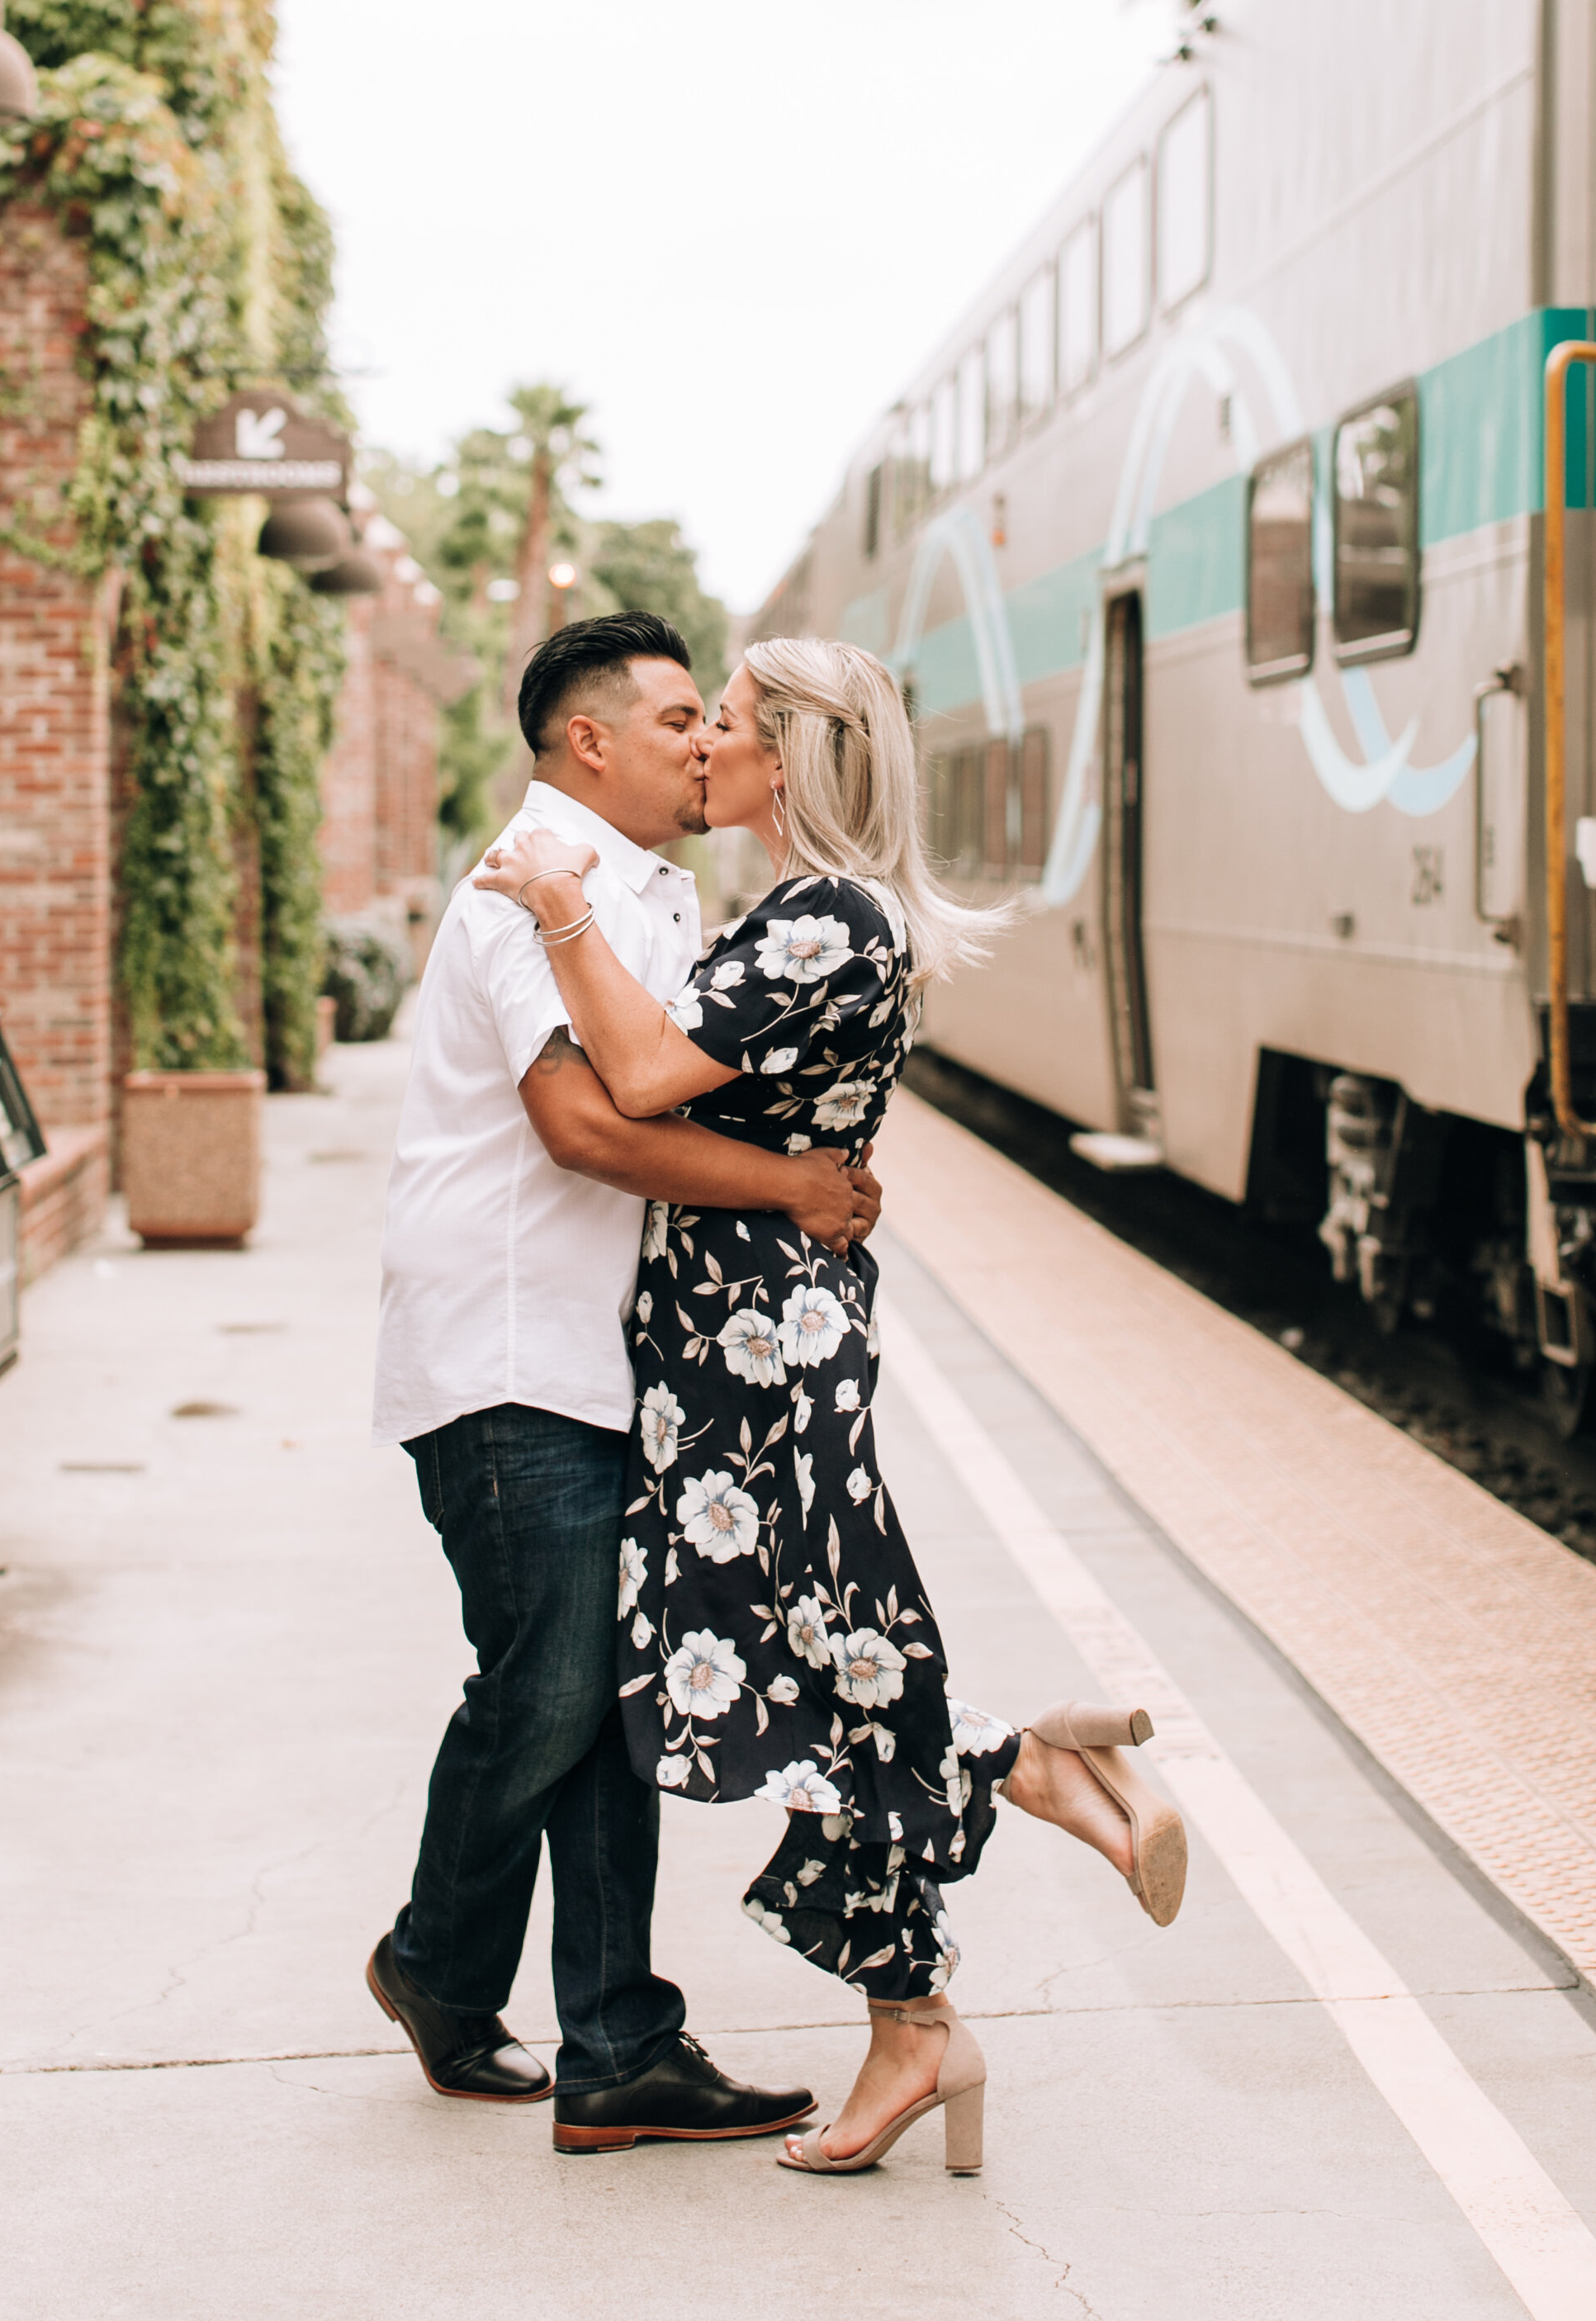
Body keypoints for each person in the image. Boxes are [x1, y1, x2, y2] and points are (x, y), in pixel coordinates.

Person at [476, 634, 1187, 2181]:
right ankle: (950, 1933)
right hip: (743, 1342)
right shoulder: (809, 915)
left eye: (721, 723)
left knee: (799, 1665)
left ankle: (970, 1901)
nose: (702, 746)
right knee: (813, 1661)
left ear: (787, 758)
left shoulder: (825, 918)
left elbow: (650, 1070)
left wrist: (560, 906)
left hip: (760, 1352)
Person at [370, 611, 884, 2158]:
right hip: (507, 1350)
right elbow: (587, 1129)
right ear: (588, 741)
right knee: (553, 1689)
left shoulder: (655, 892)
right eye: (679, 719)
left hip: (610, 1361)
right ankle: (441, 1964)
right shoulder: (526, 890)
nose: (706, 742)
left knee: (606, 1704)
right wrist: (789, 1186)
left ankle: (615, 2051)